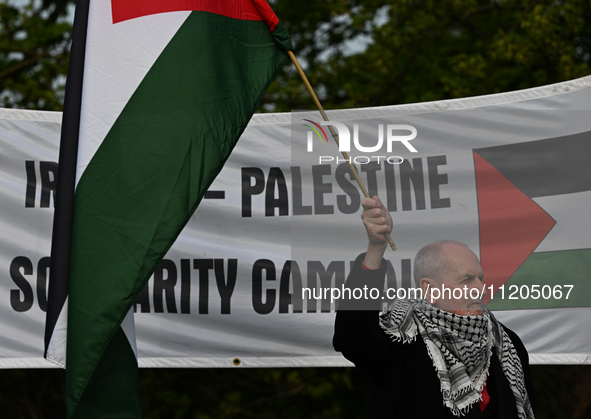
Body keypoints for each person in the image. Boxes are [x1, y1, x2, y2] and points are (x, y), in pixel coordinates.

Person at [333, 196, 535, 419]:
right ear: (431, 290)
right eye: (467, 280)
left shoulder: (507, 343)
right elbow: (352, 337)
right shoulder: (401, 342)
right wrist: (375, 249)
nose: (481, 289)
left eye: (481, 278)